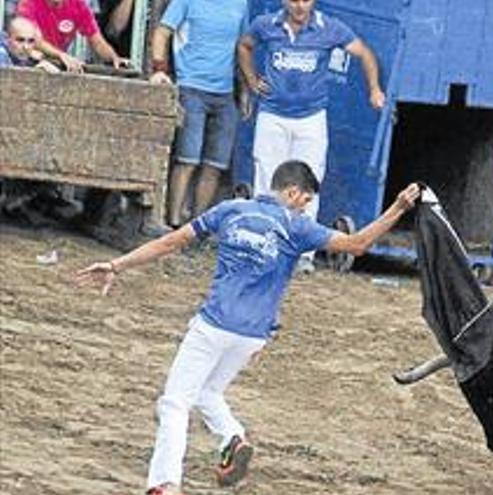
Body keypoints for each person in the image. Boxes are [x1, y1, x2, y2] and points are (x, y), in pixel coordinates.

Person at [75, 161, 421, 495]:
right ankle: (232, 438)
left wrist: (116, 265)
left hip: (214, 324)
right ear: (291, 191)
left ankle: (165, 484)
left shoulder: (231, 210)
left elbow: (170, 243)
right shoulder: (296, 227)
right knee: (209, 393)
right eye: (305, 200)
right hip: (252, 335)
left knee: (174, 403)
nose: (304, 209)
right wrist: (397, 208)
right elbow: (358, 245)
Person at [237, 0, 386, 274]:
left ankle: (303, 254)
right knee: (267, 178)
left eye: (305, 0)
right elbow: (245, 45)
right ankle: (263, 245)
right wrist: (251, 78)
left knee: (310, 182)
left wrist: (374, 89)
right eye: (294, 0)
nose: (299, 6)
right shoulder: (266, 25)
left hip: (311, 117)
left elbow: (364, 53)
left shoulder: (328, 28)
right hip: (273, 114)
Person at [150, 0, 249, 229]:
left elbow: (242, 47)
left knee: (215, 165)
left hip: (225, 93)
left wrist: (244, 89)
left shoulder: (241, 4)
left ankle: (197, 226)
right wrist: (159, 70)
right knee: (187, 159)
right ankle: (173, 223)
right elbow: (162, 33)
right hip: (190, 87)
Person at [16, 0, 129, 72]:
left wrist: (113, 58)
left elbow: (97, 41)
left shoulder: (78, 5)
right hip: (25, 60)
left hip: (55, 63)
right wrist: (61, 55)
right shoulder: (28, 3)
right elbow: (33, 40)